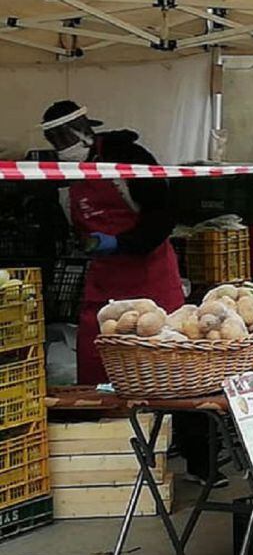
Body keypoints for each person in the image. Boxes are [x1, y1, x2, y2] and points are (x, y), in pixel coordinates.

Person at [40, 100, 183, 386]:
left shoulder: (129, 156)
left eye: (63, 138)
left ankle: (162, 420)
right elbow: (61, 218)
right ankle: (101, 418)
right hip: (104, 280)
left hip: (148, 272)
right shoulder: (63, 171)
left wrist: (122, 243)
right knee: (95, 353)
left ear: (81, 131)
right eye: (53, 141)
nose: (60, 146)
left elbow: (163, 214)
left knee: (157, 357)